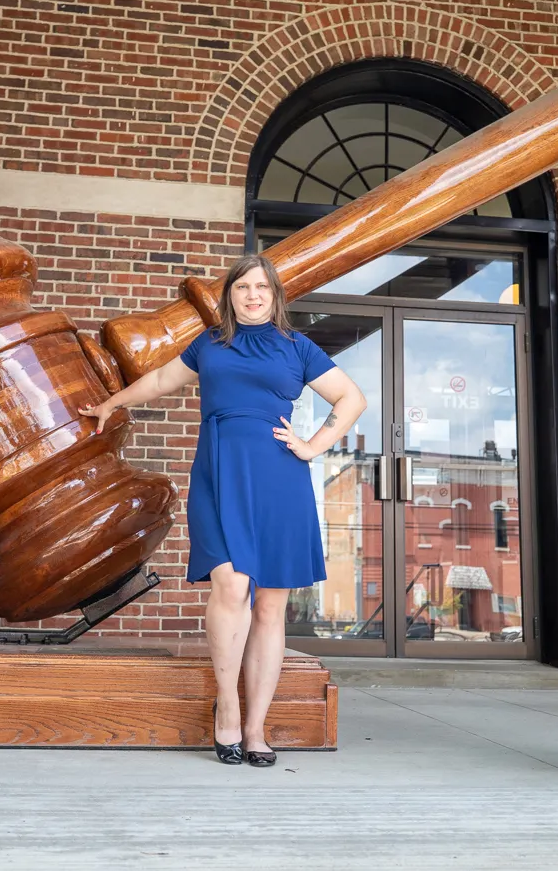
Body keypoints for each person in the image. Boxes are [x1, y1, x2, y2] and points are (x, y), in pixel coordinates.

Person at [80, 254, 367, 766]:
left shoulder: (297, 348)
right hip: (219, 472)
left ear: (275, 295)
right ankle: (227, 708)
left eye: (262, 287)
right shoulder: (210, 344)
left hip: (280, 479)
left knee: (271, 605)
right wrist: (110, 404)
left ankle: (256, 728)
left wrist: (312, 445)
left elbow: (350, 398)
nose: (253, 295)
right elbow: (161, 381)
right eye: (242, 288)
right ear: (229, 296)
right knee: (231, 585)